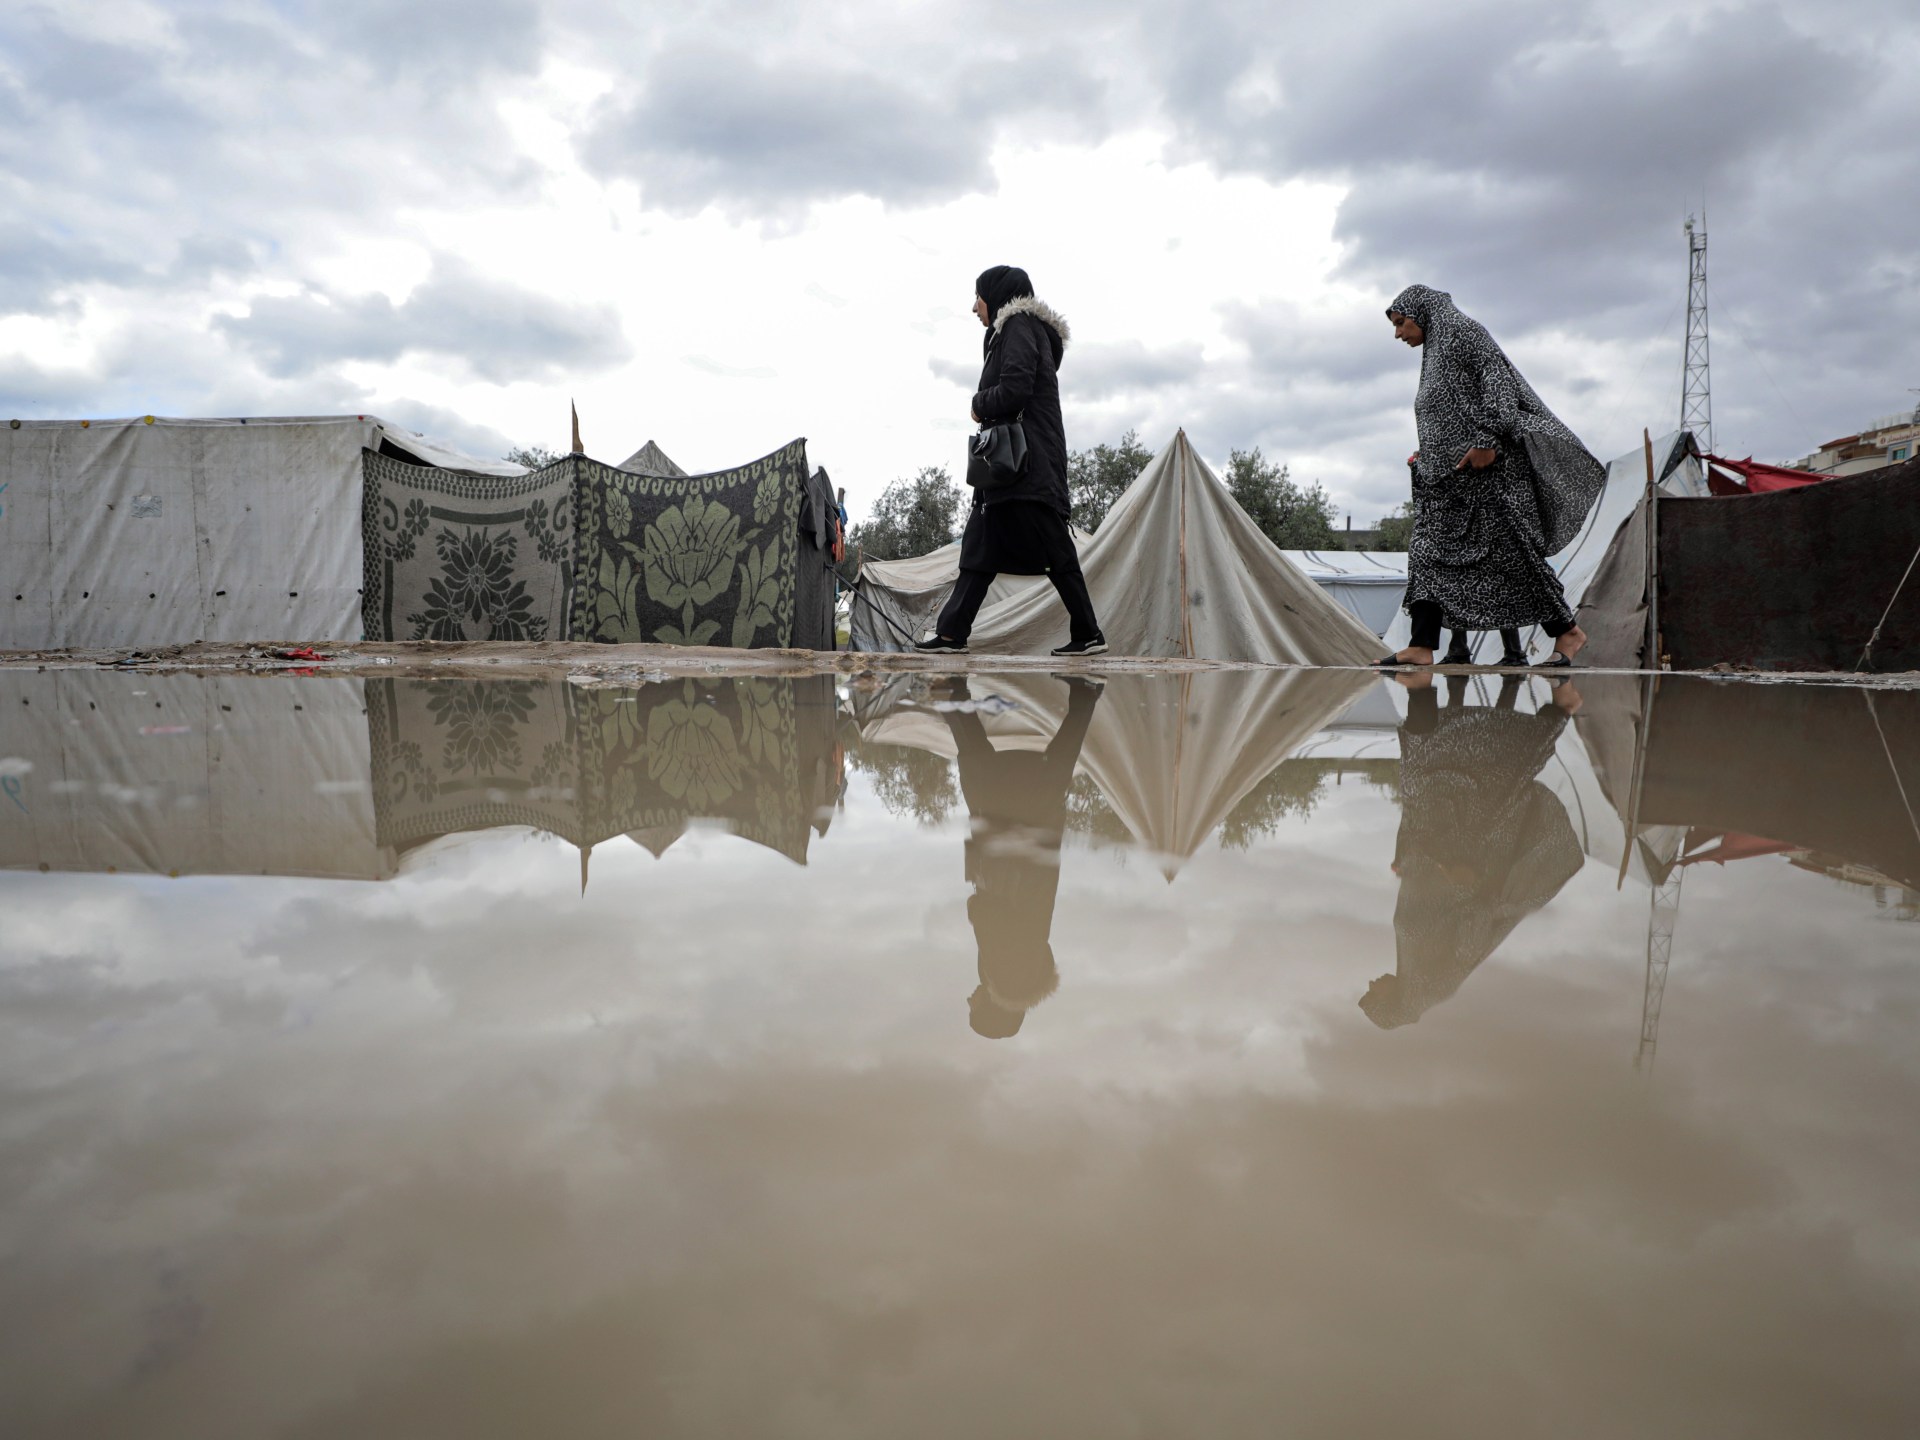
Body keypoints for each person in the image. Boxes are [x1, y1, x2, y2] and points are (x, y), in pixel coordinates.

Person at [1378, 286, 1606, 670]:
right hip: (1448, 485)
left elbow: (1498, 386)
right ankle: (1421, 645)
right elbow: (1449, 410)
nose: (1398, 333)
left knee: (1515, 557)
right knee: (1425, 551)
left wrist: (1487, 441)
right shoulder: (1436, 349)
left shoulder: (1464, 333)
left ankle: (1568, 632)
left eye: (1401, 323)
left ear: (1421, 312)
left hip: (1488, 478)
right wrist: (1428, 457)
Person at [1360, 673, 1585, 1028]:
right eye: (1375, 992)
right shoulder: (1435, 984)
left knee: (1422, 768)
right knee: (1490, 778)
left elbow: (1420, 908)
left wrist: (1405, 862)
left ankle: (1424, 687)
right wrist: (1461, 881)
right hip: (1464, 849)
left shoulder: (1412, 968)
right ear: (1393, 1002)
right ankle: (1562, 706)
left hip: (1431, 844)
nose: (1372, 983)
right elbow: (1471, 943)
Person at [915, 266, 1107, 657]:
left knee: (1054, 549)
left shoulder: (1018, 324)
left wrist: (977, 404)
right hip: (1014, 469)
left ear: (997, 295)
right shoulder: (1013, 330)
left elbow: (1016, 388)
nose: (974, 308)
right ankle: (952, 633)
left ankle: (1088, 633)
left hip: (1025, 465)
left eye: (978, 297)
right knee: (981, 547)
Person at [937, 674, 1102, 1037]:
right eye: (973, 1007)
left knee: (1057, 759)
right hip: (1004, 847)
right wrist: (974, 909)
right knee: (973, 754)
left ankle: (1087, 693)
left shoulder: (1023, 971)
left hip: (1035, 845)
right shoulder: (1003, 970)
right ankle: (949, 690)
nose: (969, 999)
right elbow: (990, 915)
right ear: (992, 1010)